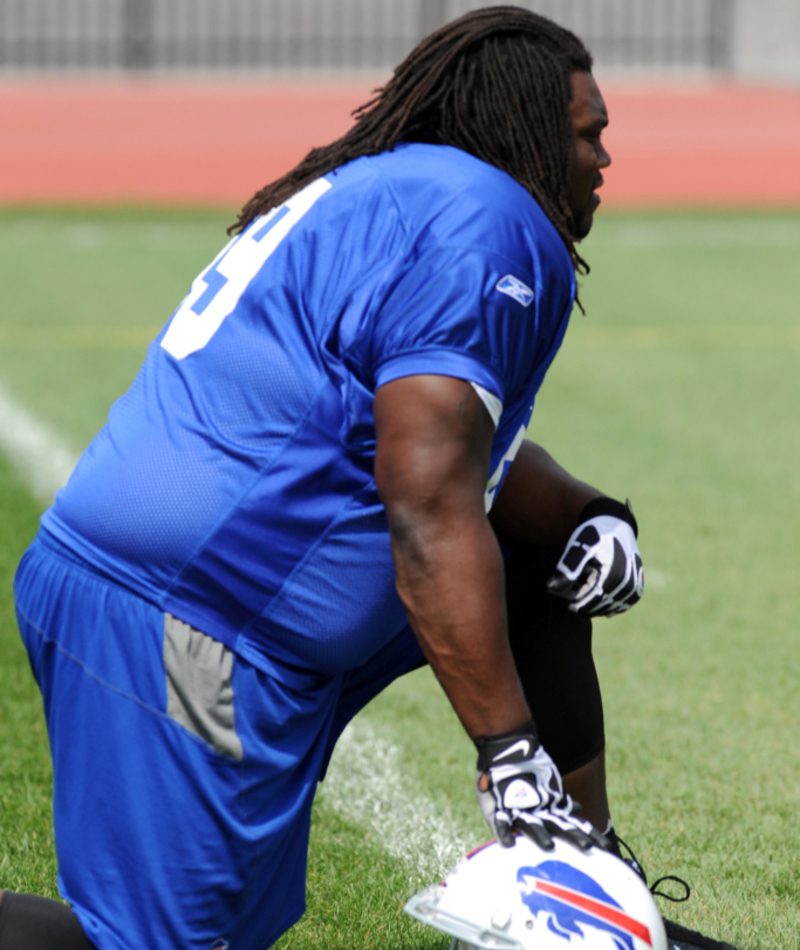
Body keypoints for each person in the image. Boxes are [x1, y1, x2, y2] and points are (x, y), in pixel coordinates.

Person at [0, 7, 659, 949]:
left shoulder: (401, 188)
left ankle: (588, 860)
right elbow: (428, 498)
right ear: (521, 126)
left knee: (535, 557)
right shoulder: (489, 218)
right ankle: (559, 838)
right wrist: (509, 760)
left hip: (185, 600)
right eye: (588, 132)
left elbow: (444, 449)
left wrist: (587, 514)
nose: (602, 157)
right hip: (191, 627)